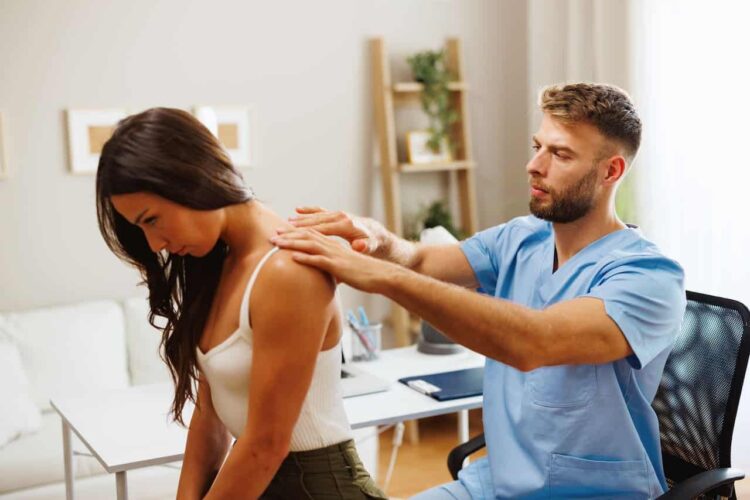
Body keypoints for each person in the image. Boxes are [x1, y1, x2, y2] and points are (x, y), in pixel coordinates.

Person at [270, 83, 686, 498]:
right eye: (538, 146)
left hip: (592, 491)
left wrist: (377, 276)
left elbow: (534, 342)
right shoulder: (522, 238)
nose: (534, 165)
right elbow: (421, 262)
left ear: (610, 171)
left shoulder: (649, 277)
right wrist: (377, 240)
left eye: (560, 154)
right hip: (496, 483)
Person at [95, 108, 386, 500]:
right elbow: (209, 418)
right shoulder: (217, 261)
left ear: (191, 179)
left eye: (152, 220)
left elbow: (265, 446)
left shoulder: (287, 270)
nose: (154, 244)